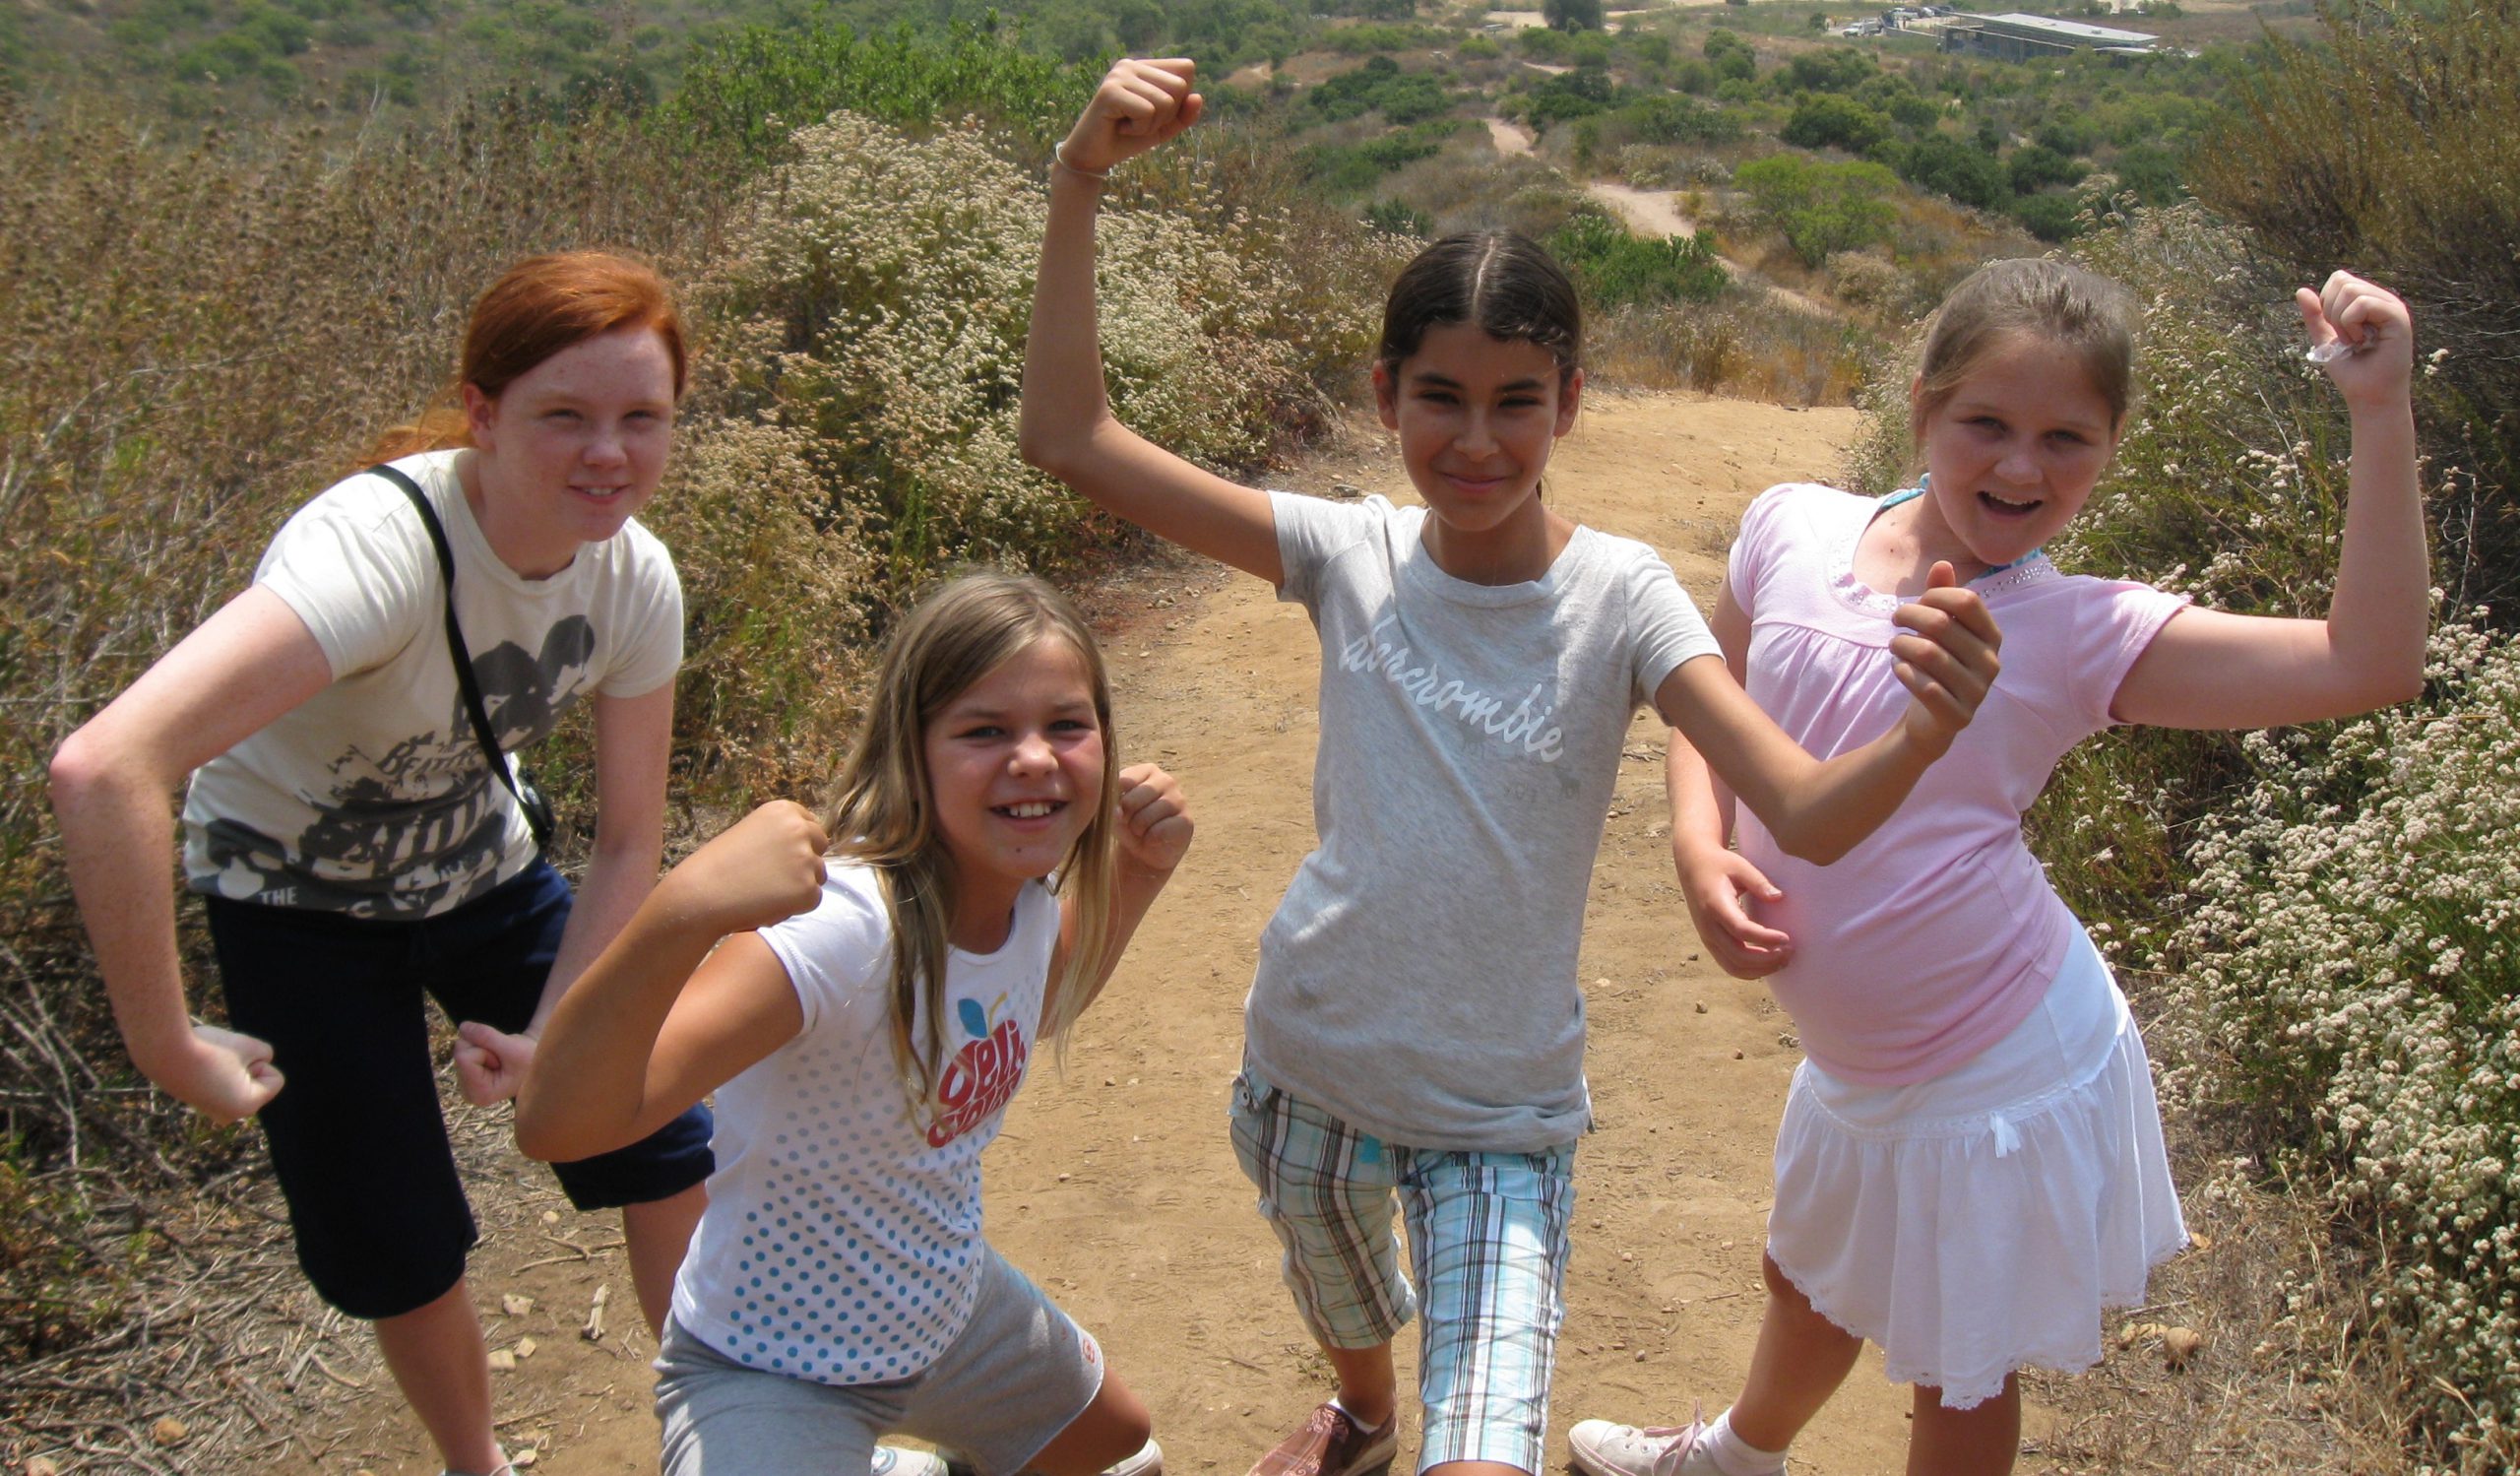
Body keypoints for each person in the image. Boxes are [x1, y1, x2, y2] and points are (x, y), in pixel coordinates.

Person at [1019, 58, 2005, 1476]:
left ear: (1571, 403)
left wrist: (1926, 729)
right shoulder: (1344, 554)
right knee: (1345, 1300)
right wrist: (1078, 179)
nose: (1475, 440)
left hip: (1503, 1116)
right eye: (1440, 397)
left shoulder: (1625, 597)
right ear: (1383, 394)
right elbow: (1068, 439)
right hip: (1308, 1067)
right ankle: (1361, 1408)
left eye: (1516, 401)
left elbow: (1798, 804)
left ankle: (1391, 1415)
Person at [1567, 260, 2426, 1475]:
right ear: (1920, 407)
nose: (2021, 468)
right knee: (1806, 1271)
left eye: (2065, 438)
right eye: (1987, 423)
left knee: (1956, 1369)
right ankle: (1728, 1458)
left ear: (2111, 445)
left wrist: (2378, 411)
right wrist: (1698, 845)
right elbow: (1708, 696)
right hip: (1858, 1060)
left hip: (1993, 1062)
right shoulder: (1790, 527)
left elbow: (2368, 661)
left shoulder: (2081, 631)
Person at [47, 251, 717, 1476]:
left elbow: (629, 840)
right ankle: (478, 1463)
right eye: (562, 415)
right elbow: (106, 769)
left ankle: (732, 1432)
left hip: (487, 874)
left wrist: (559, 1027)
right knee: (396, 1235)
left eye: (641, 417)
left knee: (657, 1129)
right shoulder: (377, 554)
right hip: (296, 908)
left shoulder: (634, 577)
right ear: (481, 409)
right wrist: (165, 1042)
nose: (607, 453)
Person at [516, 572, 1193, 1476]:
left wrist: (1137, 872)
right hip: (771, 1363)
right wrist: (682, 909)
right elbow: (560, 1123)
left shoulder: (1023, 898)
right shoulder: (842, 933)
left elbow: (1035, 996)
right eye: (984, 730)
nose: (1033, 756)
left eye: (1065, 724)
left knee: (1115, 1444)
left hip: (946, 1310)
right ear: (911, 751)